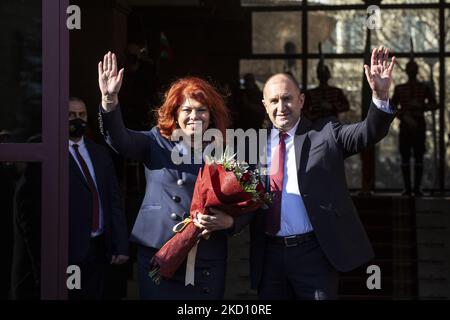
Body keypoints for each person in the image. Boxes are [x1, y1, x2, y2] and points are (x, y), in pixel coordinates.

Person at [237, 46, 397, 300]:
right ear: (264, 105)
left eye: (288, 98)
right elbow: (243, 198)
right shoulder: (252, 146)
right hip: (270, 258)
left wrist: (380, 95)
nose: (282, 107)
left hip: (313, 255)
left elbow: (368, 132)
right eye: (274, 101)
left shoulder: (326, 134)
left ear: (301, 100)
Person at [97, 52, 239, 300]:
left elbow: (249, 199)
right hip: (159, 253)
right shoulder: (155, 141)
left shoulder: (224, 150)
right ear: (174, 113)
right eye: (187, 110)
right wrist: (110, 100)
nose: (194, 116)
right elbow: (120, 140)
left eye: (201, 110)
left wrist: (230, 222)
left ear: (211, 114)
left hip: (206, 257)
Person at [68, 97, 129, 300]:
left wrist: (120, 244)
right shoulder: (54, 154)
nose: (78, 120)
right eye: (71, 115)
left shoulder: (100, 153)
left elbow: (114, 201)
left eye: (82, 115)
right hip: (70, 250)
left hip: (100, 247)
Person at [391, 59, 437, 196]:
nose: (411, 72)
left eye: (413, 69)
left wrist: (421, 106)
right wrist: (404, 116)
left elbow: (434, 104)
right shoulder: (400, 88)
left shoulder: (424, 88)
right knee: (405, 158)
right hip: (405, 125)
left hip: (418, 125)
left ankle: (417, 188)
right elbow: (392, 107)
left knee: (418, 157)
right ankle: (408, 188)